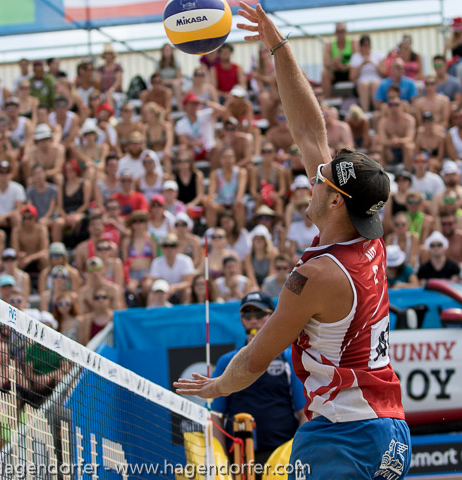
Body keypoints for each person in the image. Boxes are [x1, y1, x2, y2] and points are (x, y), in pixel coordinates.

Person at [176, 5, 410, 480]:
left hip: (344, 437)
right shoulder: (368, 240)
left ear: (337, 201)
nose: (312, 178)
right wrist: (278, 47)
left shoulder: (315, 276)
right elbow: (309, 132)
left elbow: (254, 359)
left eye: (321, 179)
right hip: (390, 432)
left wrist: (216, 387)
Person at [211, 291, 306, 468]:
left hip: (281, 458)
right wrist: (221, 462)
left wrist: (295, 455)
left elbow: (305, 413)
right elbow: (216, 416)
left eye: (260, 313)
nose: (253, 320)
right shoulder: (227, 361)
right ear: (242, 320)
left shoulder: (289, 359)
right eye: (247, 315)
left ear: (272, 317)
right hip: (239, 458)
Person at [322, 23, 357, 98]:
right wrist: (335, 62)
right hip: (335, 72)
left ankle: (357, 96)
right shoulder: (329, 45)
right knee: (325, 73)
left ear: (346, 32)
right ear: (335, 33)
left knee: (356, 70)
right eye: (338, 31)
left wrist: (345, 66)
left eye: (342, 31)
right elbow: (326, 64)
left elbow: (357, 61)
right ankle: (328, 99)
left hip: (349, 72)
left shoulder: (352, 43)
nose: (341, 33)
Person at [349, 35, 384, 112]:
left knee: (375, 83)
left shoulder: (378, 55)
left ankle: (377, 110)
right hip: (361, 81)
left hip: (376, 79)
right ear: (360, 46)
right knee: (364, 85)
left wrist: (373, 64)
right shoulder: (355, 57)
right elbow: (352, 77)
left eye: (367, 45)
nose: (366, 47)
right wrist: (361, 64)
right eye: (364, 45)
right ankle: (365, 111)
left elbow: (384, 73)